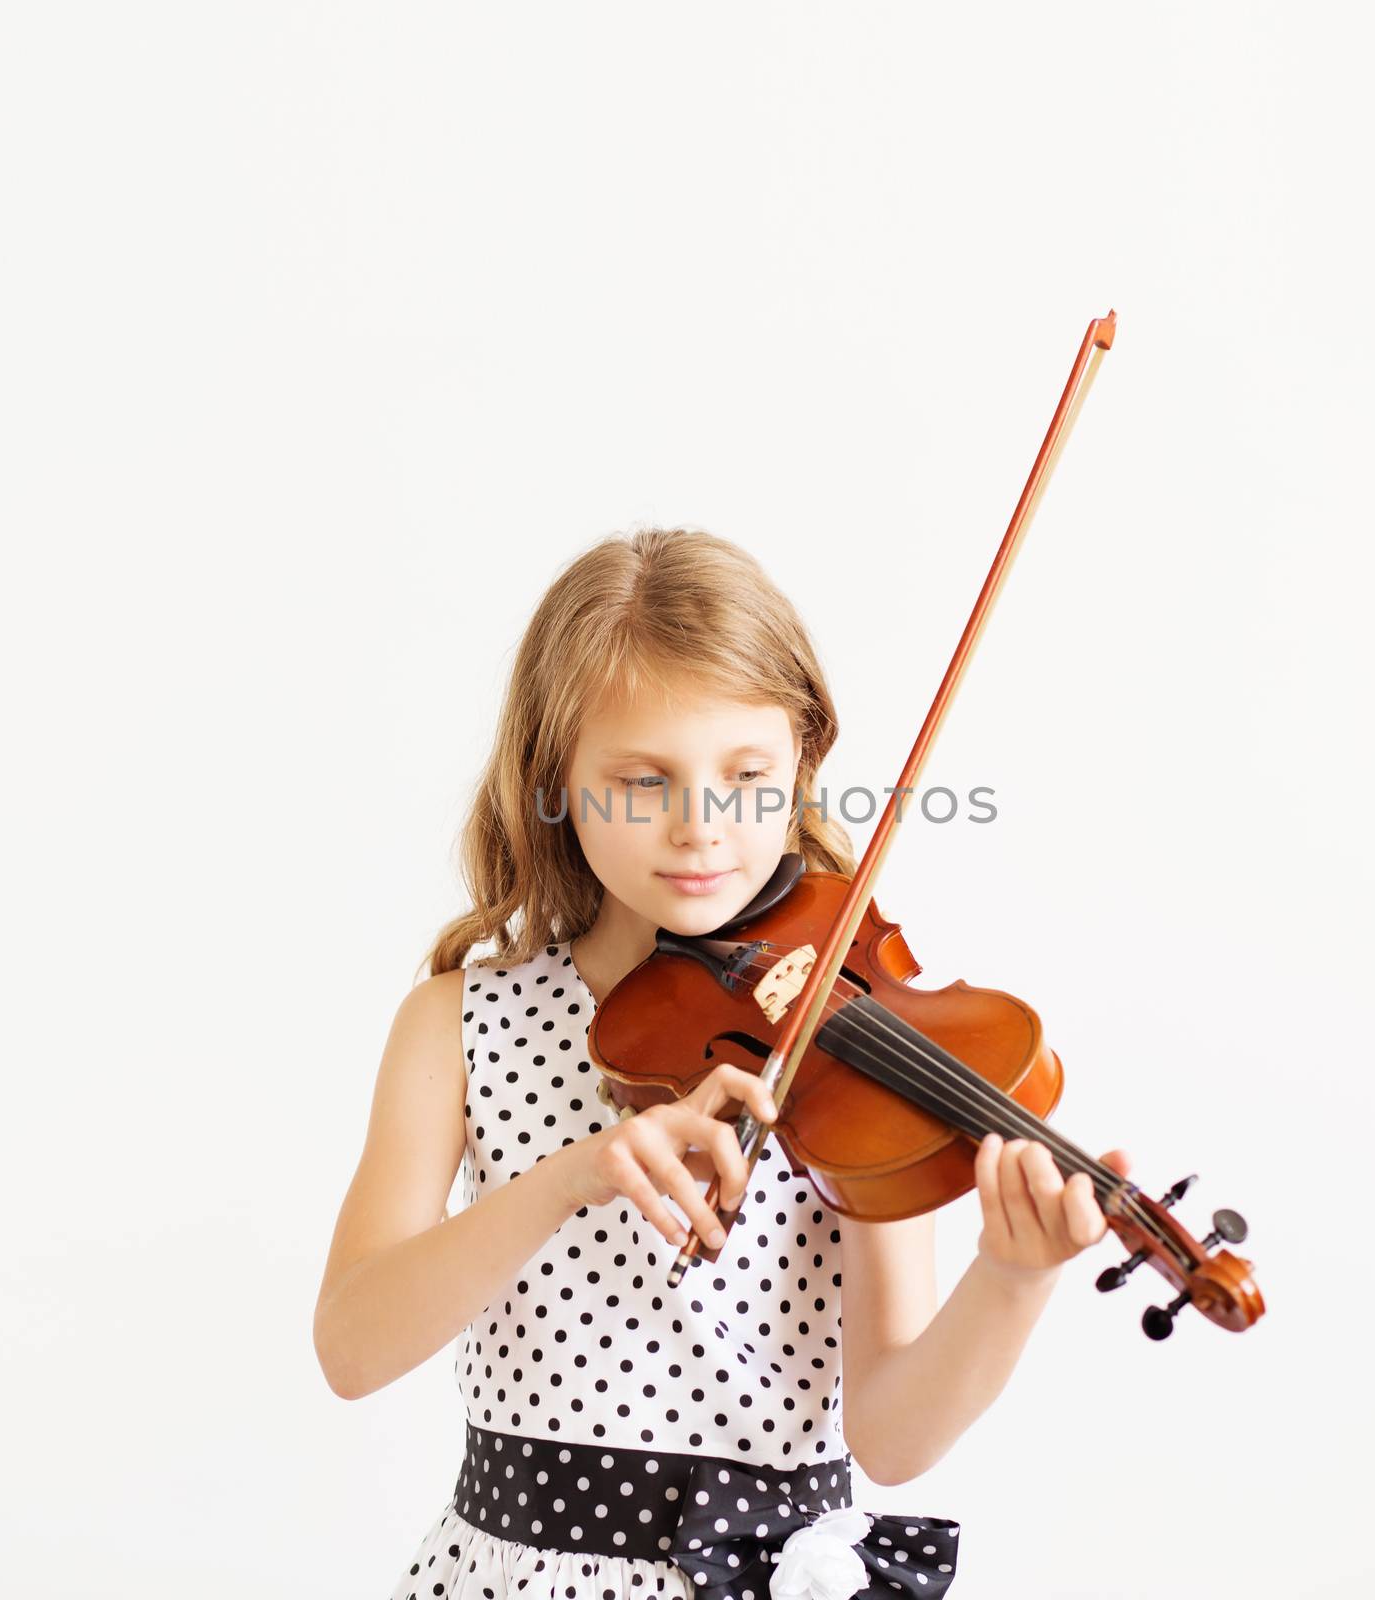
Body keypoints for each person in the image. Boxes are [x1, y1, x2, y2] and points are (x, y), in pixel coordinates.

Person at [313, 525, 1131, 1600]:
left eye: (746, 774)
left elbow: (891, 1434)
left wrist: (1012, 1279)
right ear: (556, 777)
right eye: (643, 781)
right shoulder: (462, 1023)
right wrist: (573, 1174)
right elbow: (353, 1348)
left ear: (799, 762)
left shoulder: (848, 1039)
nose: (702, 827)